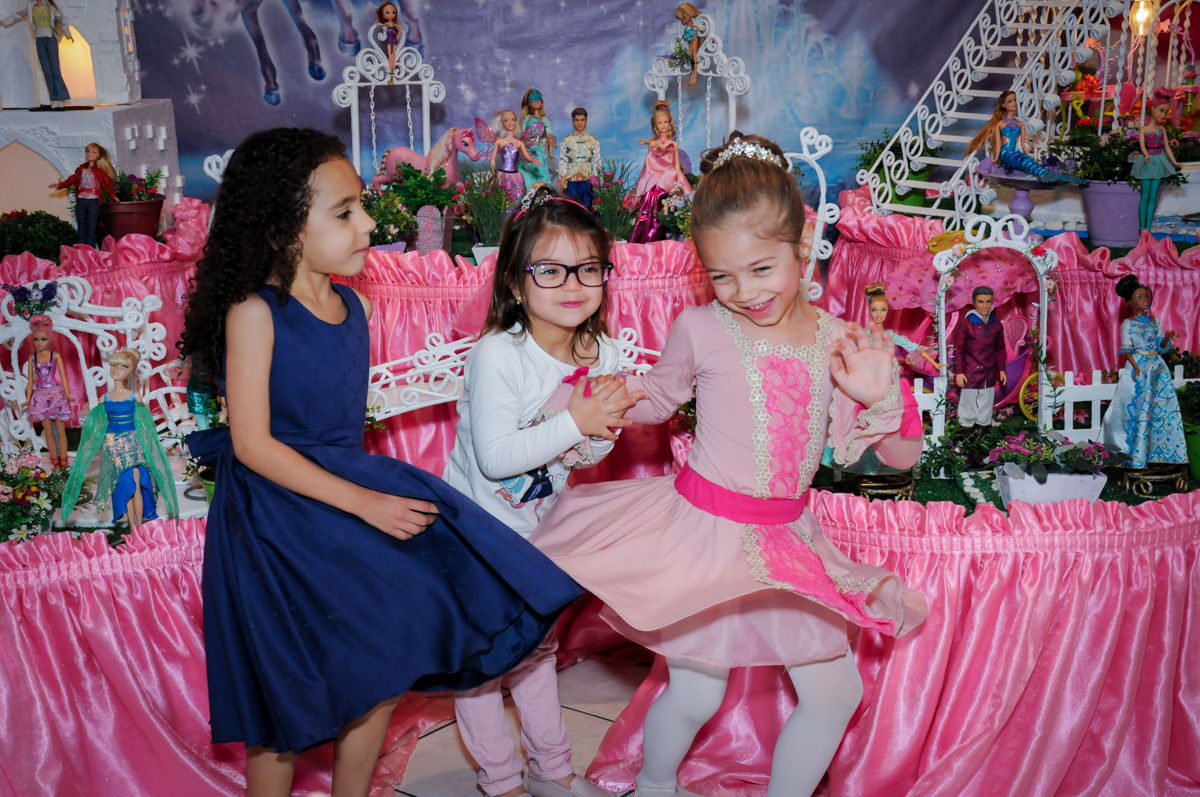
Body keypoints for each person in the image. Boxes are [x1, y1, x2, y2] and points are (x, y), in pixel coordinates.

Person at [179, 128, 581, 796]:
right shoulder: (253, 312)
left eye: (361, 204)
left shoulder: (356, 306)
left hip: (336, 494)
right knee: (282, 702)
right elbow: (253, 444)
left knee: (383, 659)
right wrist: (365, 502)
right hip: (271, 520)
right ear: (283, 228)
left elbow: (336, 427)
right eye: (344, 212)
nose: (369, 223)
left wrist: (364, 496)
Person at [530, 134, 928, 797]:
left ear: (802, 247)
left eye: (762, 268)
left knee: (834, 692)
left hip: (791, 539)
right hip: (707, 531)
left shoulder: (839, 340)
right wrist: (602, 400)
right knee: (694, 692)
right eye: (722, 275)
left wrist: (884, 394)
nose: (744, 291)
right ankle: (655, 784)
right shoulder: (702, 329)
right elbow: (657, 400)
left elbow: (900, 456)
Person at [445, 188, 639, 797]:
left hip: (542, 532)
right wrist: (577, 421)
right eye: (550, 270)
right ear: (514, 280)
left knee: (536, 652)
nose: (572, 284)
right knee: (483, 666)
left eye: (588, 268)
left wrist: (599, 431)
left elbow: (587, 452)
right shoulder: (499, 356)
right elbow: (496, 459)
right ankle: (501, 780)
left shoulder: (602, 350)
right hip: (477, 535)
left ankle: (553, 767)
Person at [61, 348, 178, 525]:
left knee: (137, 484)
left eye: (123, 366)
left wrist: (148, 445)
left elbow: (145, 425)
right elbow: (97, 426)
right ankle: (133, 527)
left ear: (131, 372)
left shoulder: (134, 396)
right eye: (114, 365)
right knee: (124, 486)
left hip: (133, 442)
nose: (117, 369)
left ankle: (138, 525)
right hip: (113, 444)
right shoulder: (104, 399)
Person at [1099, 275, 1188, 468]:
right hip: (1138, 365)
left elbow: (1161, 345)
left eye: (1145, 296)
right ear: (1130, 301)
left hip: (1156, 365)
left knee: (1160, 406)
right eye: (1139, 297)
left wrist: (1167, 339)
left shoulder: (1155, 322)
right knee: (1137, 406)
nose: (1144, 300)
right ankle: (1134, 453)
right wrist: (1136, 367)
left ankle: (1160, 452)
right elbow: (1126, 348)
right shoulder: (1128, 323)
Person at [967, 90, 1087, 184]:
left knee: (1026, 160)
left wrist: (1028, 155)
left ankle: (1046, 173)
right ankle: (1043, 173)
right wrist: (996, 158)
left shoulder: (1020, 123)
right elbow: (998, 144)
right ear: (1003, 105)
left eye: (1014, 100)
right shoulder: (1000, 124)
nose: (1013, 103)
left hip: (1015, 152)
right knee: (1020, 160)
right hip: (1005, 153)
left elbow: (1023, 143)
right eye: (1009, 101)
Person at [627, 102, 693, 244]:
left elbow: (676, 164)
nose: (663, 125)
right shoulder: (653, 144)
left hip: (669, 178)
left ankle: (668, 240)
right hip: (655, 179)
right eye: (660, 123)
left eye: (666, 122)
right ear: (655, 126)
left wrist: (678, 179)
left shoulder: (673, 144)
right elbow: (649, 164)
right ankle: (646, 239)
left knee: (671, 207)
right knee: (650, 206)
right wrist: (650, 180)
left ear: (669, 123)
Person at [20, 314, 75, 469]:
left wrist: (68, 394)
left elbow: (63, 377)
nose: (39, 343)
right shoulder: (32, 358)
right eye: (36, 339)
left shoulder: (55, 356)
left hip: (57, 395)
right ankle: (55, 462)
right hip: (40, 397)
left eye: (43, 339)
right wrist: (28, 398)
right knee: (48, 433)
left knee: (61, 431)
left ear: (50, 339)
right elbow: (31, 380)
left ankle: (63, 462)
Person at [951, 285, 1006, 434]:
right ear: (974, 302)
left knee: (986, 401)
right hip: (970, 370)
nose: (985, 305)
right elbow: (959, 350)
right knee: (968, 401)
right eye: (981, 302)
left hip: (989, 371)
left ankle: (983, 428)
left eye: (988, 301)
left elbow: (1000, 349)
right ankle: (966, 431)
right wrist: (960, 372)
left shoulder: (996, 324)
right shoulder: (966, 325)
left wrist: (1001, 369)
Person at [1, 0, 73, 109]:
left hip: (50, 38)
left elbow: (62, 19)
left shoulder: (50, 8)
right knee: (47, 71)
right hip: (40, 40)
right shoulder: (31, 8)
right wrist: (3, 21)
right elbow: (17, 15)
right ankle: (54, 98)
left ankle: (61, 97)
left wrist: (67, 33)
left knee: (55, 70)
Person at [1131, 88, 1182, 231]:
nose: (1163, 115)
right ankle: (1142, 229)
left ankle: (1148, 227)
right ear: (1152, 109)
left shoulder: (1162, 129)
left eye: (1165, 112)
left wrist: (1174, 162)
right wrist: (1146, 154)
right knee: (1145, 196)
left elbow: (1167, 147)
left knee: (1153, 196)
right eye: (1161, 110)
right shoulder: (1144, 130)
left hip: (1159, 161)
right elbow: (1142, 146)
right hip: (1147, 163)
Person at [50, 143, 118, 248]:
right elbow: (71, 179)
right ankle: (80, 249)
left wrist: (113, 196)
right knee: (81, 226)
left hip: (93, 202)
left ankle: (91, 251)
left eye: (94, 152)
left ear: (99, 156)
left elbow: (108, 185)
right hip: (81, 201)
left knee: (91, 227)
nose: (90, 154)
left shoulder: (100, 172)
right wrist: (59, 185)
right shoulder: (80, 170)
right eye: (88, 151)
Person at [559, 108, 602, 210]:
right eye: (576, 120)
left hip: (587, 181)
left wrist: (598, 178)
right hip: (572, 181)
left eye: (582, 120)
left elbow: (597, 161)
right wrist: (562, 177)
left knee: (586, 210)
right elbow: (562, 160)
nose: (579, 123)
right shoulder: (567, 140)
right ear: (573, 121)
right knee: (572, 210)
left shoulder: (593, 140)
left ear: (586, 120)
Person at [520, 89, 558, 192]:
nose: (536, 102)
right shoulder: (526, 118)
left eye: (539, 99)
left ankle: (542, 192)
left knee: (541, 171)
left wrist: (550, 152)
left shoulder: (544, 119)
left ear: (542, 102)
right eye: (533, 100)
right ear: (528, 103)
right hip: (527, 148)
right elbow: (523, 134)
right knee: (526, 173)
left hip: (539, 149)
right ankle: (529, 192)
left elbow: (550, 136)